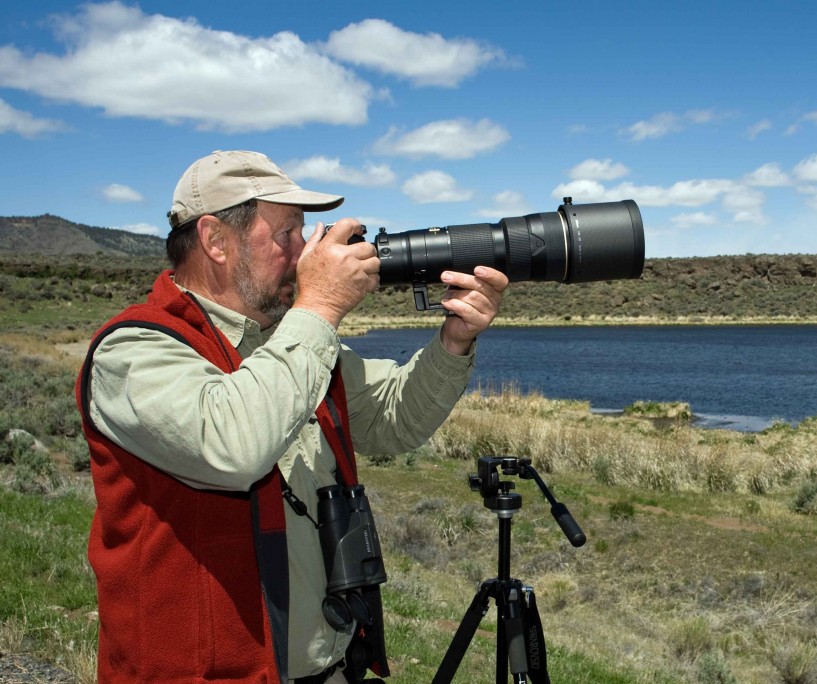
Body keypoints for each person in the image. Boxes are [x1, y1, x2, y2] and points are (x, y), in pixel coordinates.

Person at [75, 150, 508, 683]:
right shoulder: (135, 351)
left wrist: (453, 342)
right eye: (286, 235)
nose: (304, 253)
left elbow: (396, 419)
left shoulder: (292, 344)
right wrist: (321, 305)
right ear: (215, 241)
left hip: (325, 665)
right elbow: (231, 445)